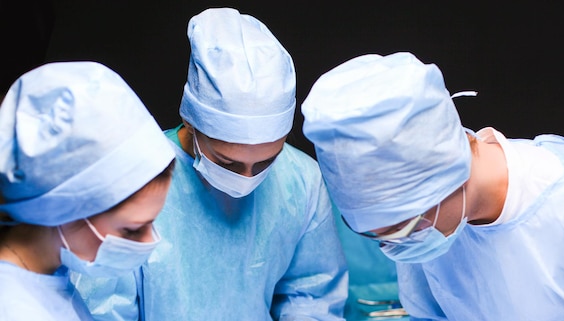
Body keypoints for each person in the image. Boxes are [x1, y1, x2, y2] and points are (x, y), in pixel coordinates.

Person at [300, 52, 564, 320]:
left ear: (441, 180)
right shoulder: (435, 229)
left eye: (401, 229)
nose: (396, 247)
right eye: (379, 235)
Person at [77, 7, 348, 321]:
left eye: (265, 163)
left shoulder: (301, 181)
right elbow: (103, 307)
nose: (247, 179)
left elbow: (311, 296)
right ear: (190, 122)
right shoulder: (130, 180)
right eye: (228, 163)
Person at [0, 61, 175, 320]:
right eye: (132, 229)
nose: (151, 242)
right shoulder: (14, 308)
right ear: (62, 209)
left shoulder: (48, 277)